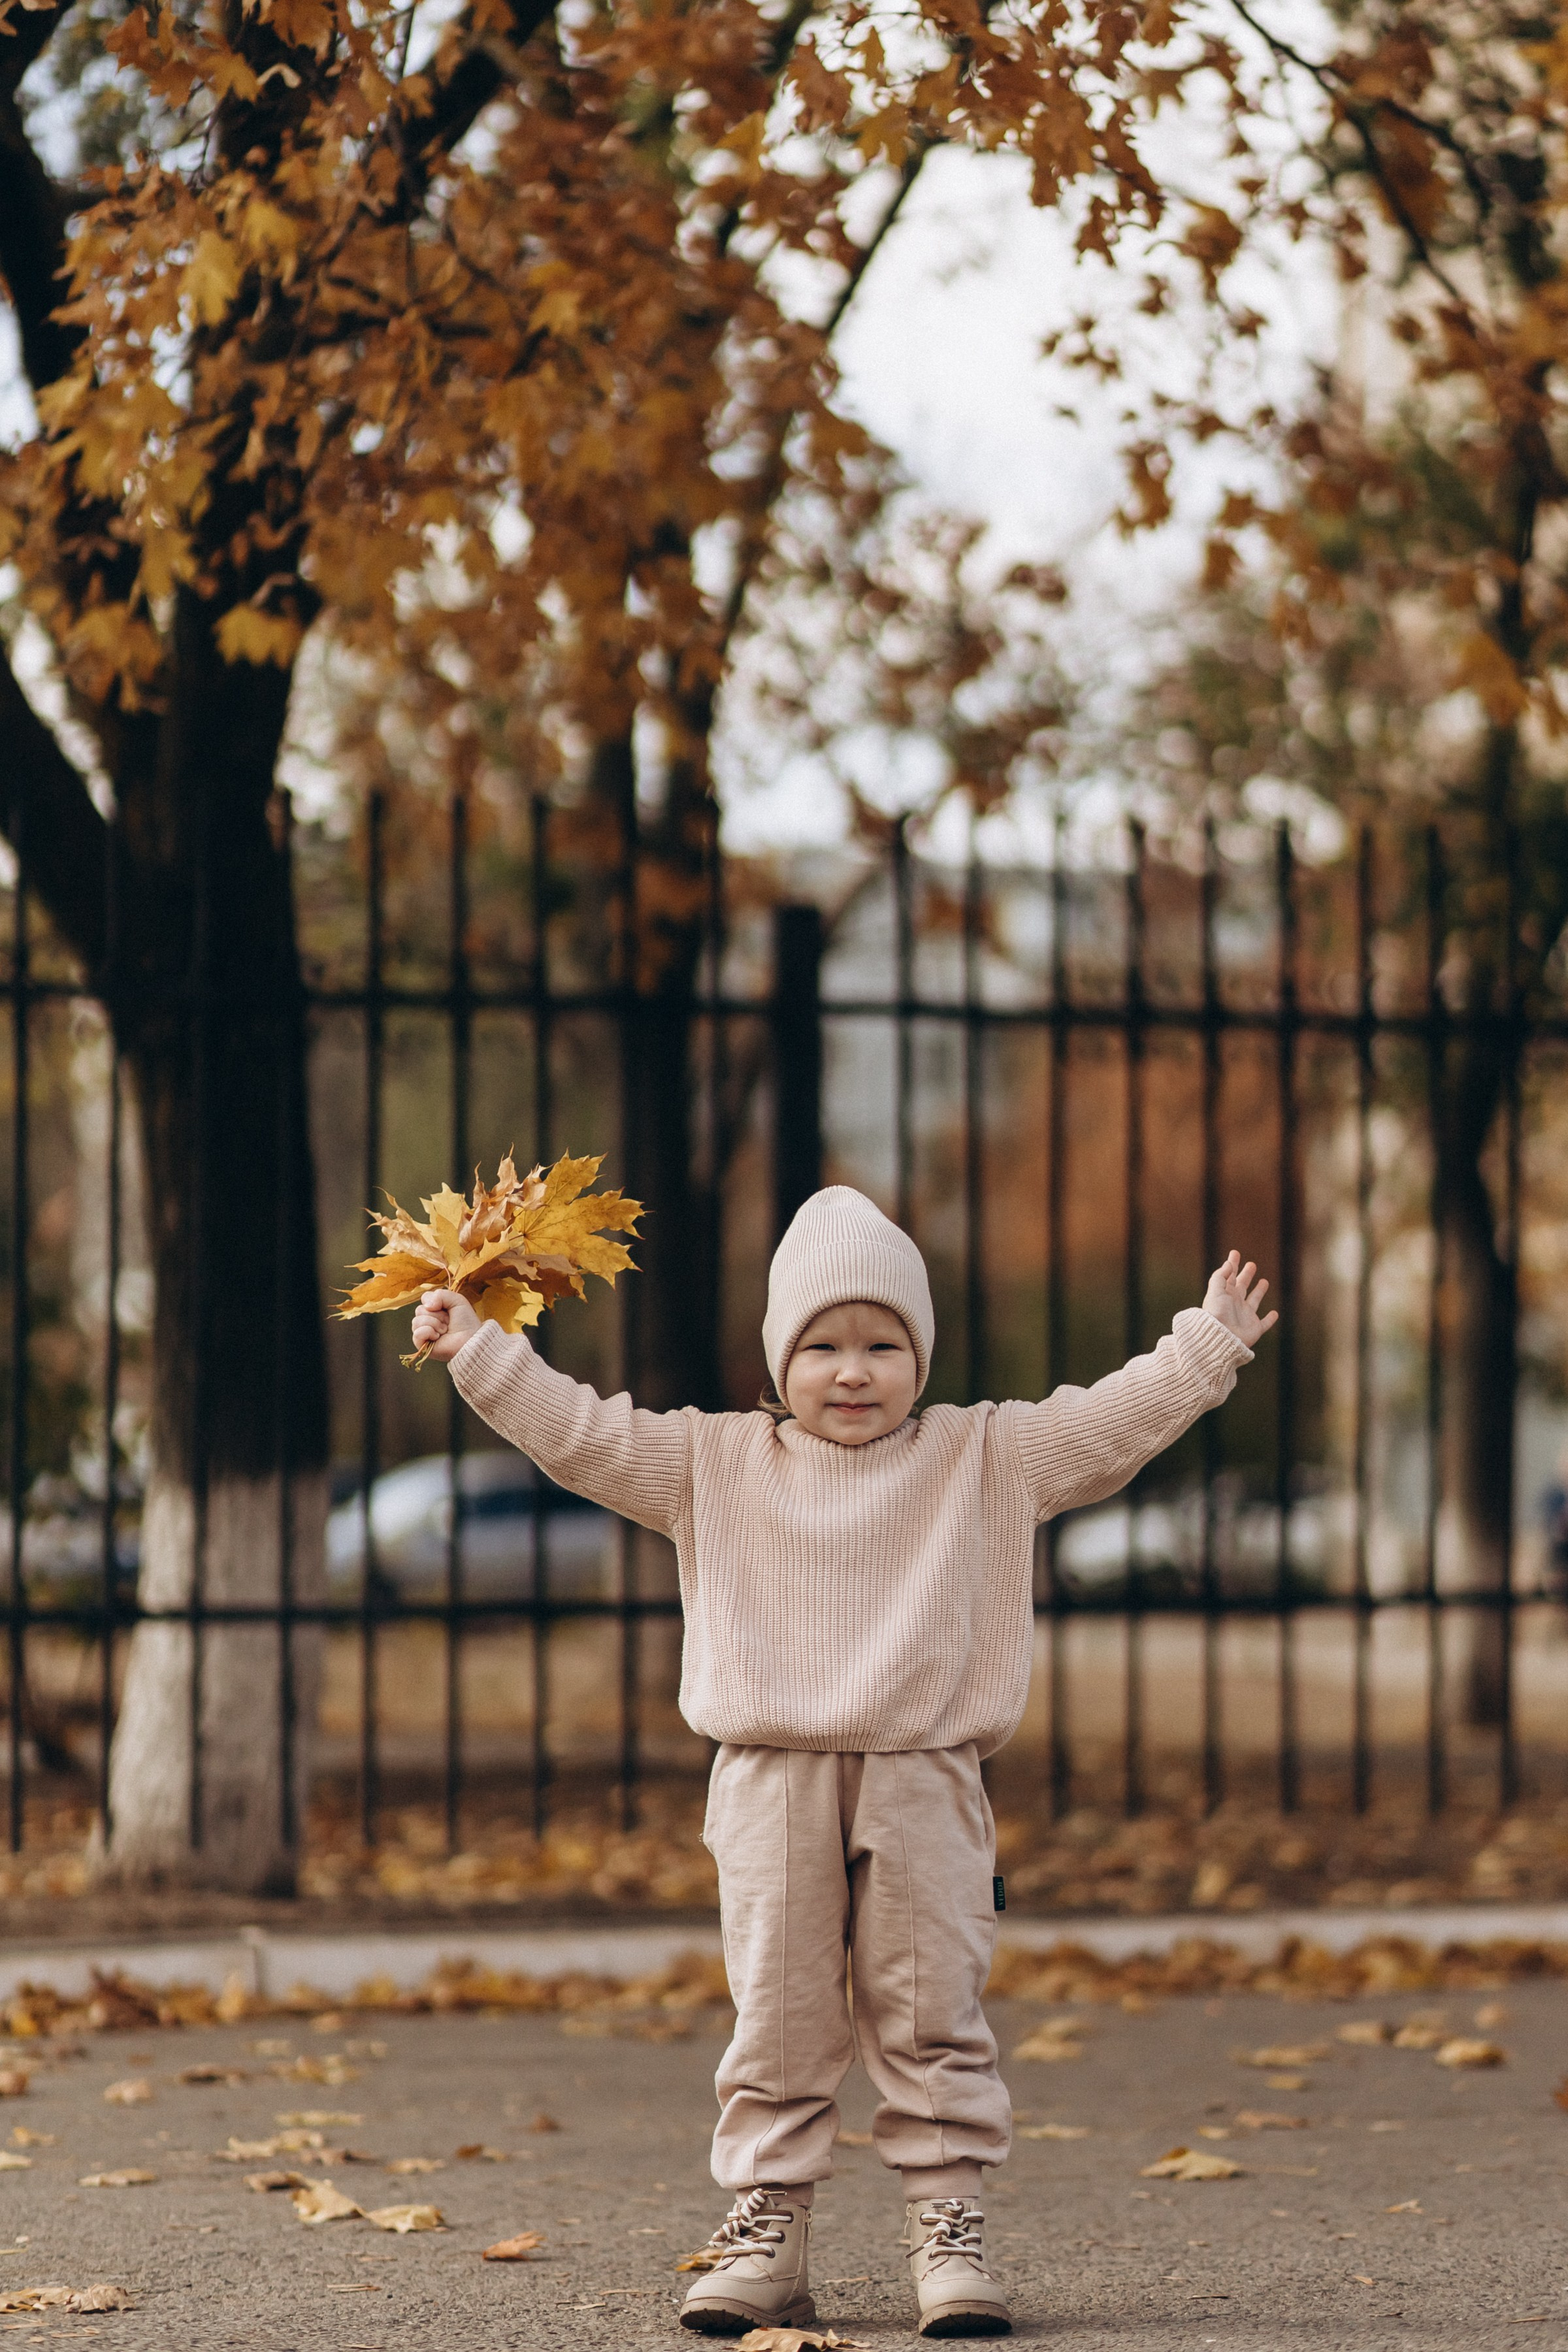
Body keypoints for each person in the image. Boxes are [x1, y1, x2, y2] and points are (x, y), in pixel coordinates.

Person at [412, 1186, 1275, 2339]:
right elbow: (587, 1434)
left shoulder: (988, 1457)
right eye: (821, 1346)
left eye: (882, 1344)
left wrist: (1206, 1344)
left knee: (931, 2012)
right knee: (777, 2012)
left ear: (920, 1356)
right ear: (780, 1361)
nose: (853, 1371)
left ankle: (948, 2230)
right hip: (770, 1778)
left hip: (927, 1775)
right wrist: (483, 1355)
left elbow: (1114, 1419)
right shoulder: (712, 1464)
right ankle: (769, 2227)